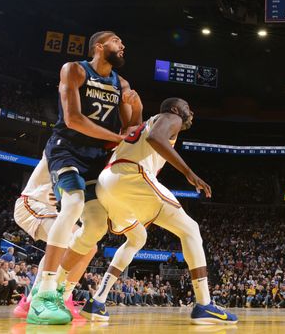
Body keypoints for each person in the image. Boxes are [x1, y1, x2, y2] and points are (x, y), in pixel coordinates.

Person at [82, 98, 237, 325]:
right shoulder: (170, 117)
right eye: (187, 107)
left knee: (137, 237)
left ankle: (97, 301)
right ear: (175, 109)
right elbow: (156, 138)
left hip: (107, 182)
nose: (190, 111)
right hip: (129, 175)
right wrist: (189, 173)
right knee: (191, 229)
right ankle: (204, 305)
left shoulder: (145, 124)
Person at [28, 31, 142, 325]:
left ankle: (60, 292)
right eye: (118, 41)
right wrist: (115, 137)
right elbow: (73, 118)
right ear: (100, 47)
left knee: (95, 225)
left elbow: (130, 130)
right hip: (67, 149)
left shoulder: (122, 84)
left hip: (96, 158)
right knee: (74, 204)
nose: (123, 44)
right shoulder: (75, 70)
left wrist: (137, 107)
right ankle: (41, 295)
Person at [12, 155, 97, 319]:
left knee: (88, 246)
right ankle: (33, 300)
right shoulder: (65, 140)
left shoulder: (96, 156)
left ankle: (63, 298)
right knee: (69, 240)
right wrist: (56, 186)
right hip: (33, 202)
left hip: (57, 211)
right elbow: (55, 161)